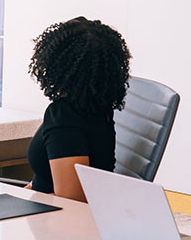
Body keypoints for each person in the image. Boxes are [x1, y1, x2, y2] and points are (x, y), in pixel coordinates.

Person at [26, 17, 131, 201]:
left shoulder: (64, 117)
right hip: (45, 207)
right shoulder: (98, 107)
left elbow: (71, 203)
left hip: (55, 221)